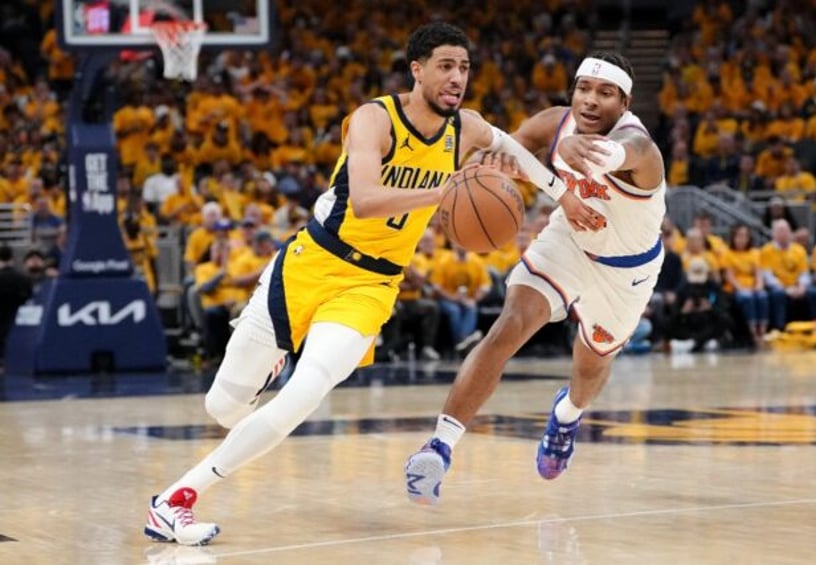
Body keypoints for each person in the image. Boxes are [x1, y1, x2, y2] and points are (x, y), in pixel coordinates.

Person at [143, 22, 574, 546]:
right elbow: (366, 199)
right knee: (224, 408)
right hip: (308, 264)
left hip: (371, 287)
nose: (456, 77)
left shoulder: (470, 128)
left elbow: (516, 152)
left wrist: (562, 194)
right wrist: (447, 190)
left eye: (463, 67)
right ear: (416, 70)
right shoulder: (376, 119)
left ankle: (176, 499)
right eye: (445, 65)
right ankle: (273, 358)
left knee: (304, 395)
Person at [405, 51, 667, 505]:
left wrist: (567, 151)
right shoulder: (554, 122)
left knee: (590, 368)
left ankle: (566, 416)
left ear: (624, 103)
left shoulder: (641, 148)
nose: (590, 100)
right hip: (567, 241)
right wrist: (487, 168)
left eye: (605, 94)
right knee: (507, 327)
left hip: (627, 269)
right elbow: (506, 150)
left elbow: (613, 153)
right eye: (584, 89)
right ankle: (440, 446)